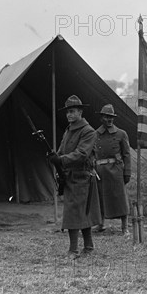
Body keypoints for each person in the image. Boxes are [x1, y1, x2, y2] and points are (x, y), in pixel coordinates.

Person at [48, 95, 101, 259]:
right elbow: (63, 150)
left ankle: (73, 250)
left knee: (74, 213)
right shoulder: (68, 130)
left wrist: (61, 160)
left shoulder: (88, 132)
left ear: (80, 112)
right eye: (67, 112)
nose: (69, 115)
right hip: (70, 176)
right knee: (80, 213)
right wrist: (54, 156)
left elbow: (82, 154)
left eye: (72, 111)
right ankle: (89, 247)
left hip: (82, 176)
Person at [93, 104, 131, 235]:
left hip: (116, 171)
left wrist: (127, 172)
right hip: (100, 171)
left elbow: (126, 155)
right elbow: (92, 153)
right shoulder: (95, 134)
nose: (109, 119)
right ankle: (101, 223)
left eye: (111, 117)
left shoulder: (121, 134)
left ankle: (124, 227)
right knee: (100, 197)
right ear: (101, 118)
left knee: (120, 198)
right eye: (106, 116)